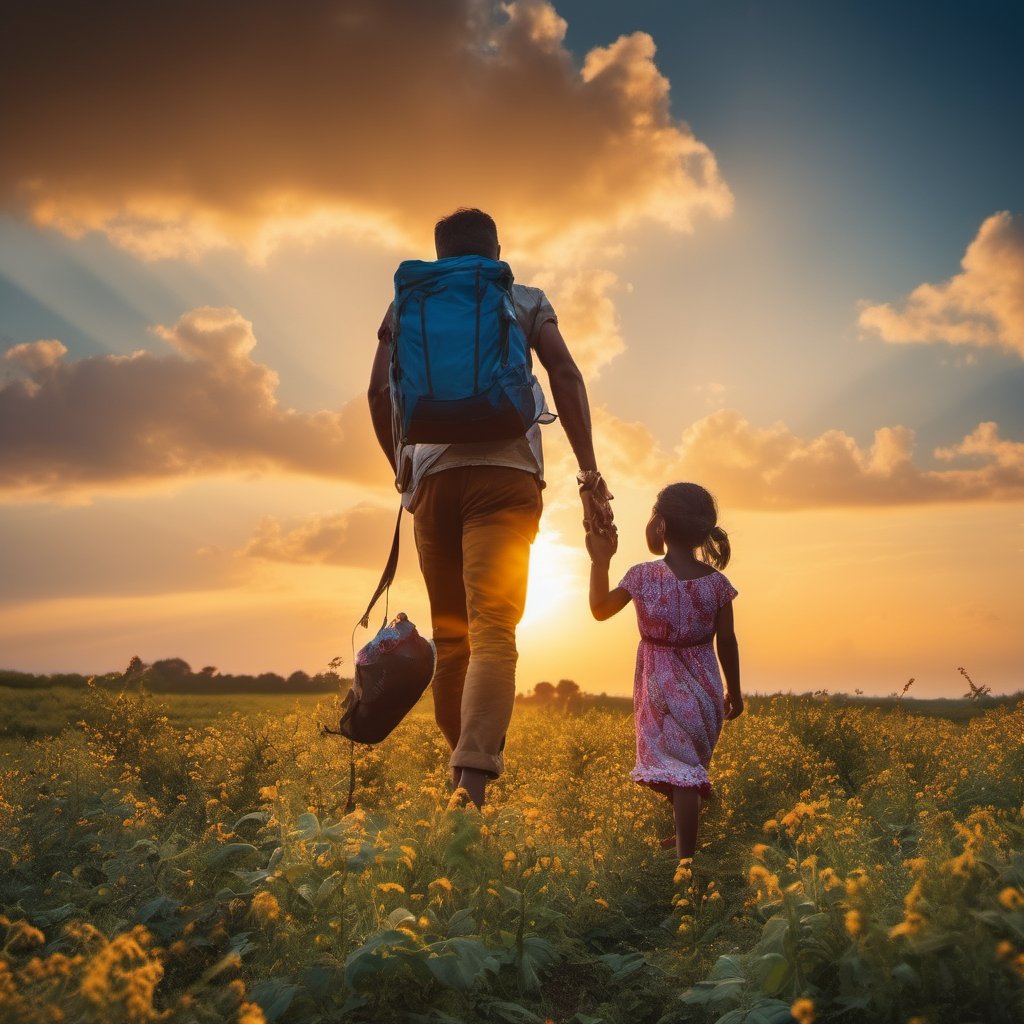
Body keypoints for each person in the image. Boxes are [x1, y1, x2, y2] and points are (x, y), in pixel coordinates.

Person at [367, 207, 615, 809]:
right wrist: (587, 471)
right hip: (506, 477)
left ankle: (460, 786)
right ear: (496, 250)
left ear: (438, 252)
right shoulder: (520, 297)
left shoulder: (407, 303)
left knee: (453, 641)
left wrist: (400, 465)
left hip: (432, 484)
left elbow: (377, 391)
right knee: (495, 633)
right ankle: (472, 788)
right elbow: (565, 372)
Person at [586, 482, 742, 859]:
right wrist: (734, 693)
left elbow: (600, 609)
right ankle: (685, 828)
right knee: (682, 766)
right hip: (705, 687)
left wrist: (600, 562)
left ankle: (686, 859)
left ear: (660, 526)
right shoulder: (718, 585)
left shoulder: (642, 575)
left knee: (679, 770)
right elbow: (728, 643)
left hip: (660, 686)